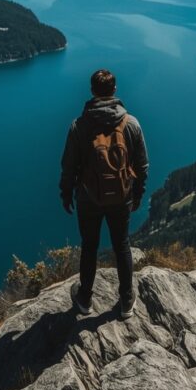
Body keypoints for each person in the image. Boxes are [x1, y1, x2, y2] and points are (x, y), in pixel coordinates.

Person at [60, 69, 148, 320]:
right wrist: (137, 193)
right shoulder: (131, 123)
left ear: (92, 91)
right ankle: (126, 300)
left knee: (90, 246)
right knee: (121, 245)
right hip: (122, 195)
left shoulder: (79, 126)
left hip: (88, 197)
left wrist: (66, 193)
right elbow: (142, 165)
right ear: (115, 90)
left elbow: (68, 166)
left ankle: (85, 298)